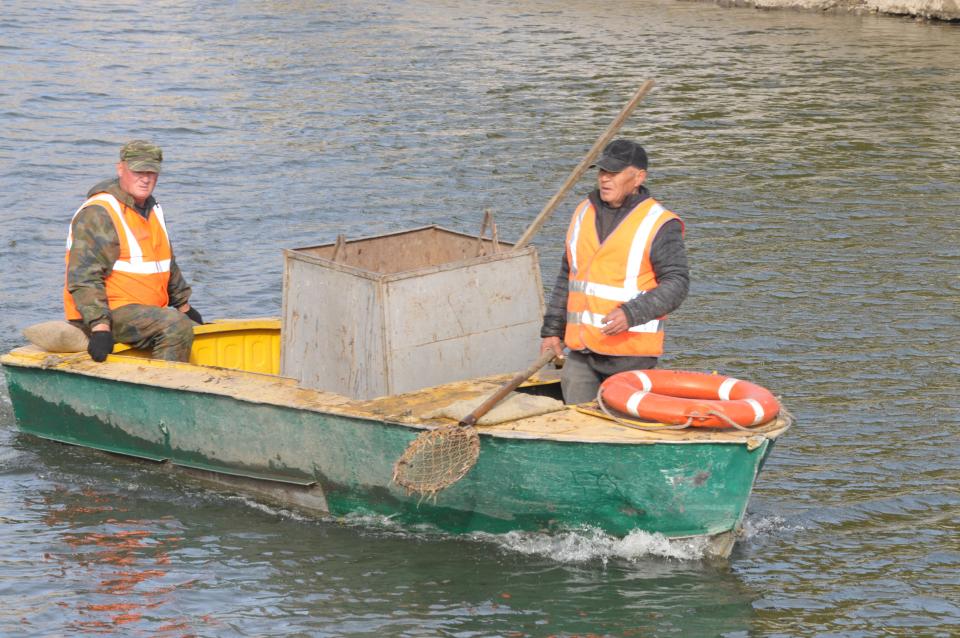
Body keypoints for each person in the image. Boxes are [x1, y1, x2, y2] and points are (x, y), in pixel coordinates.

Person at [540, 139, 689, 404]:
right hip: (581, 353)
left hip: (629, 355)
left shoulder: (659, 223)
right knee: (578, 426)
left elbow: (677, 284)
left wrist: (631, 313)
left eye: (614, 173)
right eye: (602, 172)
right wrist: (552, 330)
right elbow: (568, 276)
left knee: (623, 429)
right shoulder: (583, 212)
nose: (605, 179)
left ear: (638, 177)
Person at [64, 140, 203, 363]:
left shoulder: (152, 208)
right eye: (138, 170)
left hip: (144, 312)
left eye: (151, 172)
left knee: (192, 327)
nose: (145, 178)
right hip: (107, 313)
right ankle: (163, 389)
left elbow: (165, 262)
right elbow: (83, 278)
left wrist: (184, 306)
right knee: (174, 324)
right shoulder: (100, 212)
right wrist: (100, 326)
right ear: (121, 169)